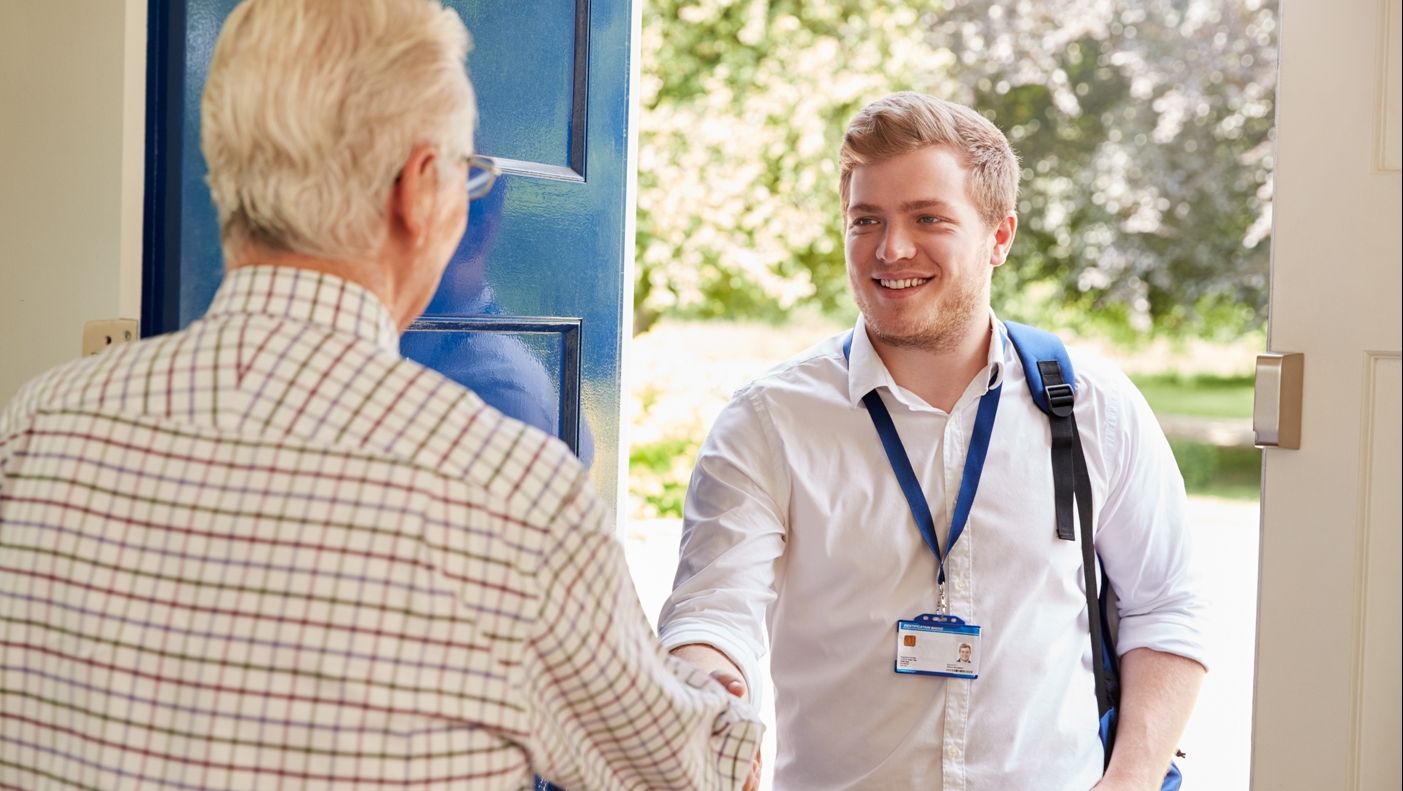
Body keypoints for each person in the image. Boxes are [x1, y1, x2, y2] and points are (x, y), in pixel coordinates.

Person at [0, 1, 759, 788]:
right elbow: (683, 773)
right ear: (420, 188)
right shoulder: (510, 494)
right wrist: (711, 690)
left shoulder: (38, 426)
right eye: (469, 172)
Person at [660, 92, 1207, 789]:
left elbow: (1165, 606)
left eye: (927, 218)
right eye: (866, 220)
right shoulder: (769, 420)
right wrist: (711, 689)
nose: (890, 249)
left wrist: (1128, 779)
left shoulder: (1096, 409)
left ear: (999, 236)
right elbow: (713, 606)